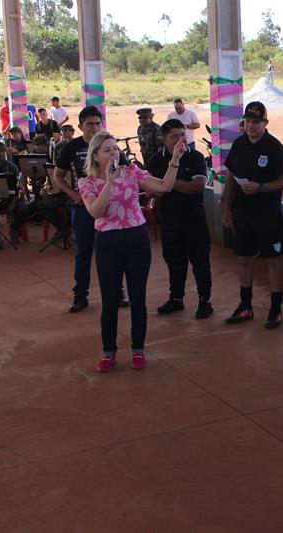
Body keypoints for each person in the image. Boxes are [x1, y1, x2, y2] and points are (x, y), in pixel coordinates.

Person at [79, 131, 185, 373]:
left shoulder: (131, 172)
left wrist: (175, 159)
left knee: (138, 298)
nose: (114, 153)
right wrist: (108, 181)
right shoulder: (87, 182)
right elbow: (96, 212)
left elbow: (164, 186)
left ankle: (138, 349)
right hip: (108, 242)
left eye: (115, 148)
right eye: (107, 150)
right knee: (110, 301)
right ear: (95, 156)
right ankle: (109, 352)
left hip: (137, 239)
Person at [221, 102, 283, 329]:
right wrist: (226, 208)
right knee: (243, 258)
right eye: (248, 121)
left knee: (274, 260)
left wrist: (260, 187)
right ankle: (245, 306)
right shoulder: (239, 144)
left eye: (256, 122)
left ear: (265, 123)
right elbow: (231, 176)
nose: (251, 126)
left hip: (268, 213)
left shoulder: (274, 147)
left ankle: (275, 309)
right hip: (242, 212)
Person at [53, 106, 129, 313]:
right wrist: (74, 194)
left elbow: (126, 171)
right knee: (83, 252)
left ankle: (118, 291)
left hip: (109, 207)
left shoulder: (111, 146)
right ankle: (80, 296)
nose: (94, 127)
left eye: (97, 123)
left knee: (114, 251)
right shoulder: (71, 147)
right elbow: (58, 176)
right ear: (80, 126)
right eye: (89, 124)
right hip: (83, 207)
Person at [147, 119, 213, 319]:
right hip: (169, 220)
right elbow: (151, 190)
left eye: (181, 134)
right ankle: (176, 299)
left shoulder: (195, 157)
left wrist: (168, 184)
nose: (180, 139)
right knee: (174, 261)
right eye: (175, 136)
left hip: (194, 220)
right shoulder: (156, 161)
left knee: (200, 262)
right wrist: (164, 187)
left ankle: (204, 301)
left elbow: (198, 186)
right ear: (164, 138)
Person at [0, 141, 28, 244]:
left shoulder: (12, 167)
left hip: (10, 199)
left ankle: (14, 229)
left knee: (24, 209)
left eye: (2, 151)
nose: (0, 154)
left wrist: (12, 205)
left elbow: (18, 188)